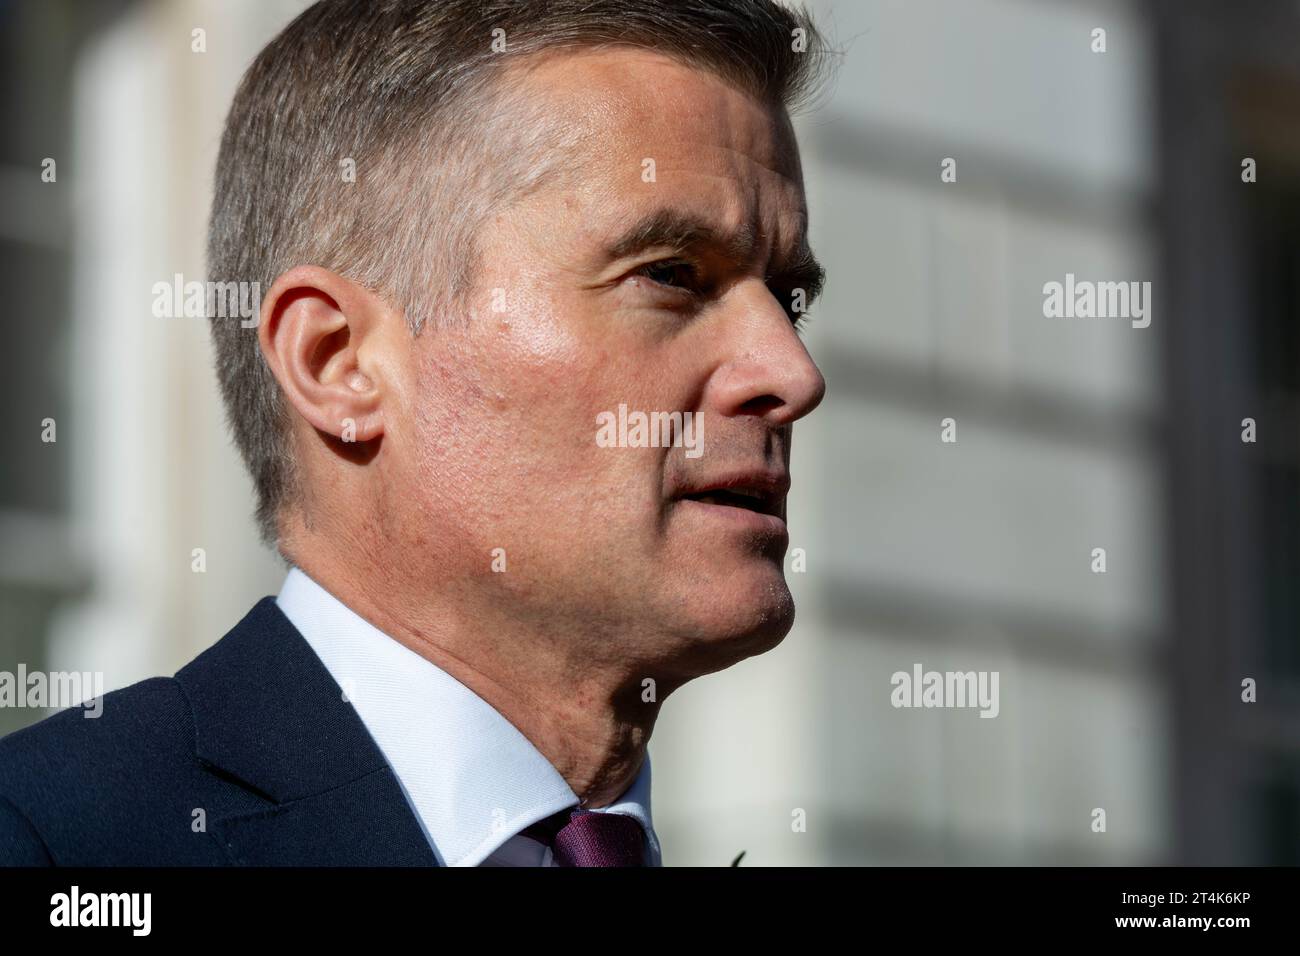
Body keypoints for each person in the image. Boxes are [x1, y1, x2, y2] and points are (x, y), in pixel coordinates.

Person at [0, 0, 831, 866]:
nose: (791, 374)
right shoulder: (53, 844)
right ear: (338, 362)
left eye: (789, 300)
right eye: (672, 275)